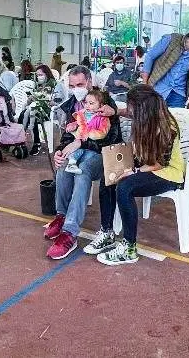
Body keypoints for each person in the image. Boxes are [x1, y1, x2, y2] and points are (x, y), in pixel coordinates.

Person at [84, 85, 184, 266]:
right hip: (144, 163)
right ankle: (107, 232)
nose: (129, 110)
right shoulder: (146, 114)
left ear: (142, 108)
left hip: (166, 172)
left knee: (125, 186)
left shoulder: (167, 127)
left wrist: (134, 171)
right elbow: (126, 113)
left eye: (131, 106)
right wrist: (113, 111)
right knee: (110, 177)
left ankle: (129, 247)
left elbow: (160, 163)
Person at [45, 66, 121, 260]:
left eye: (80, 84)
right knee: (63, 166)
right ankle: (62, 216)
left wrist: (81, 142)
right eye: (72, 86)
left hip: (102, 154)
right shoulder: (72, 104)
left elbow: (110, 138)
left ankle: (70, 233)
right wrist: (61, 150)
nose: (76, 89)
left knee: (82, 169)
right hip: (78, 150)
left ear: (88, 82)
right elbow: (66, 134)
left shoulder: (103, 102)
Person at [142, 28, 189, 108]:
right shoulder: (171, 39)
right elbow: (150, 56)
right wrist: (145, 84)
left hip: (178, 95)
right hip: (158, 89)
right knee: (153, 117)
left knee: (176, 119)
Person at [64, 89, 112, 175]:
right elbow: (78, 123)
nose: (87, 106)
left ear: (101, 105)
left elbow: (102, 133)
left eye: (91, 103)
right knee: (76, 152)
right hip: (79, 143)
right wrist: (72, 125)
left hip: (93, 148)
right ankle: (72, 163)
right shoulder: (82, 114)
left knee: (86, 161)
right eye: (86, 103)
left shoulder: (103, 119)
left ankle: (74, 165)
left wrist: (89, 133)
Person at [22, 64, 57, 155]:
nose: (38, 77)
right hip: (38, 107)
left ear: (47, 74)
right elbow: (35, 97)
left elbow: (45, 98)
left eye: (40, 75)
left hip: (48, 109)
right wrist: (30, 98)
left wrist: (35, 97)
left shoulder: (52, 83)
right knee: (23, 114)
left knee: (33, 116)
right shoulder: (39, 84)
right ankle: (21, 138)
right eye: (37, 75)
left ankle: (36, 143)